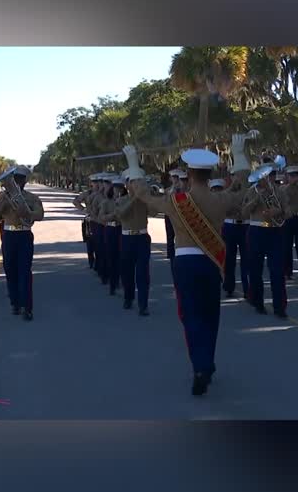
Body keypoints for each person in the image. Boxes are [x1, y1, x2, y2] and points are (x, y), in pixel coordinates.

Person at [134, 148, 242, 395]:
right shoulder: (221, 199)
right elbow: (242, 190)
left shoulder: (176, 201)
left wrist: (133, 165)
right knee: (210, 316)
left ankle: (200, 366)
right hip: (211, 263)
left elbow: (142, 195)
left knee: (191, 315)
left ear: (190, 175)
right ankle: (208, 363)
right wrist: (240, 155)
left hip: (185, 263)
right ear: (210, 173)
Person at [0, 165, 44, 320]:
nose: (17, 182)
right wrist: (2, 203)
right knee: (10, 269)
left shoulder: (32, 197)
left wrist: (28, 213)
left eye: (20, 179)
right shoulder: (2, 196)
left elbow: (40, 214)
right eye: (14, 179)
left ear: (25, 181)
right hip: (9, 235)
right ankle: (15, 303)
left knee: (25, 271)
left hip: (24, 235)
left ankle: (27, 306)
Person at [242, 163, 289, 318]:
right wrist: (256, 200)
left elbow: (288, 211)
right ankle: (258, 302)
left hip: (275, 231)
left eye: (271, 175)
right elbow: (244, 212)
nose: (269, 179)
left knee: (277, 271)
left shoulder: (280, 192)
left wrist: (278, 210)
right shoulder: (251, 191)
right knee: (255, 270)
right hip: (257, 230)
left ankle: (280, 307)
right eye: (266, 176)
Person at [114, 163, 152, 315]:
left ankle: (144, 304)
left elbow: (155, 211)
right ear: (127, 184)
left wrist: (147, 196)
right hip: (127, 238)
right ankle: (128, 297)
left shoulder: (144, 200)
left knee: (143, 273)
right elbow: (121, 214)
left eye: (138, 181)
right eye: (132, 181)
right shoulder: (121, 200)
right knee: (127, 271)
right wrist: (135, 199)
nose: (135, 184)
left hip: (142, 237)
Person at [220, 166, 250, 300]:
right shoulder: (226, 193)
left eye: (239, 176)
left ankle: (247, 289)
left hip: (245, 226)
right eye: (233, 176)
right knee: (229, 259)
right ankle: (229, 286)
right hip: (230, 226)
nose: (236, 179)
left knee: (246, 259)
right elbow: (222, 201)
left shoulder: (249, 192)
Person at [97, 176, 125, 294]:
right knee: (111, 257)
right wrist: (113, 214)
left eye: (120, 188)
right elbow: (101, 217)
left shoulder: (126, 200)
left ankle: (121, 281)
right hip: (111, 230)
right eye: (115, 188)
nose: (117, 191)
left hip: (122, 230)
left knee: (122, 258)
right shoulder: (106, 202)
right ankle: (112, 283)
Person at [281, 165, 298, 281]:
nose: (294, 178)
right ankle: (288, 271)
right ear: (287, 176)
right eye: (291, 175)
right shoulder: (284, 189)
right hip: (288, 220)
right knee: (287, 247)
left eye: (296, 175)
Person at [73, 175, 98, 269]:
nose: (96, 184)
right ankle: (91, 261)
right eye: (94, 182)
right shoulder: (87, 193)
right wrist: (83, 210)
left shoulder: (104, 193)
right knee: (90, 242)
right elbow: (75, 201)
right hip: (90, 219)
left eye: (97, 182)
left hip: (100, 219)